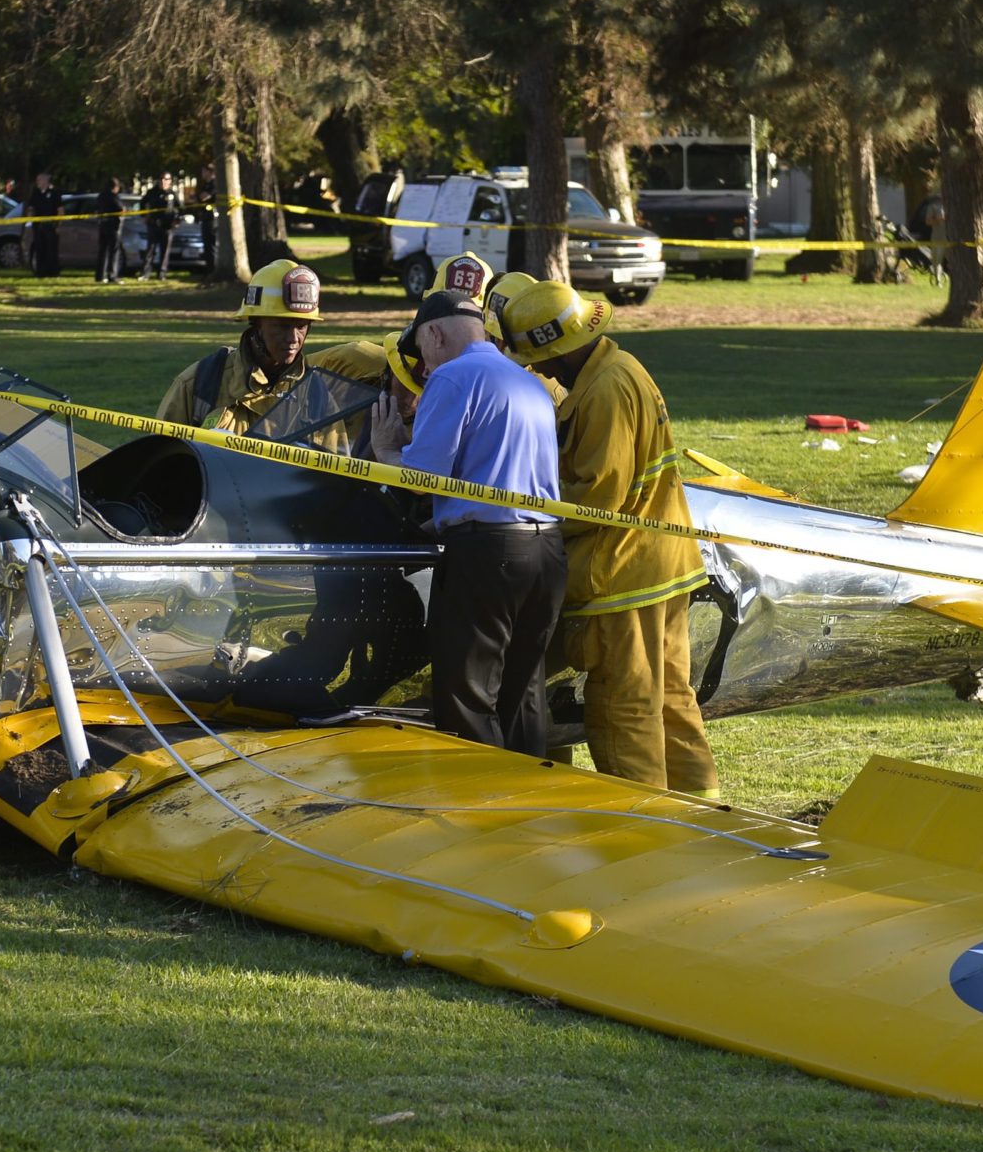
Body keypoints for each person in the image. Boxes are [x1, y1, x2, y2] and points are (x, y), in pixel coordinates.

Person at [499, 280, 715, 795]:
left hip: (622, 579)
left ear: (563, 345)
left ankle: (645, 828)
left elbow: (600, 498)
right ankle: (700, 813)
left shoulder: (604, 392)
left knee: (625, 711)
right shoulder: (622, 368)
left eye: (543, 357)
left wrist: (523, 512)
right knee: (671, 701)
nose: (540, 369)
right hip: (664, 567)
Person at [369, 290, 563, 754]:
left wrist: (386, 450)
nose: (424, 369)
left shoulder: (453, 377)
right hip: (548, 552)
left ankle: (479, 810)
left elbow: (422, 477)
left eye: (423, 355)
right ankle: (531, 805)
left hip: (489, 555)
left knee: (467, 694)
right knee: (525, 695)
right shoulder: (528, 382)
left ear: (434, 333)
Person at [154, 259, 382, 433]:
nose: (293, 338)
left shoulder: (315, 396)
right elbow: (160, 461)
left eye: (302, 326)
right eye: (281, 326)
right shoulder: (199, 386)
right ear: (256, 323)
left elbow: (328, 474)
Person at [142, 172, 183, 281]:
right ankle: (146, 273)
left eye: (166, 179)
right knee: (151, 250)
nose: (163, 181)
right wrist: (145, 216)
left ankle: (162, 273)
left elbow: (181, 209)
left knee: (165, 251)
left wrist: (177, 220)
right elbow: (142, 204)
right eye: (161, 179)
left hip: (167, 226)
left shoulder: (172, 194)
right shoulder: (151, 192)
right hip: (153, 224)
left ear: (170, 181)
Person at [27, 171, 61, 278]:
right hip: (38, 226)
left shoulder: (54, 193)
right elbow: (31, 207)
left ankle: (52, 272)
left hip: (51, 226)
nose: (37, 182)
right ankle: (40, 272)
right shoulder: (35, 193)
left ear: (45, 180)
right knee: (39, 248)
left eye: (39, 180)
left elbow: (60, 210)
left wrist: (58, 225)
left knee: (51, 249)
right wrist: (30, 216)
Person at [96, 179, 128, 284]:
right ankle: (112, 275)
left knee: (103, 251)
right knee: (114, 251)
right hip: (113, 226)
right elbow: (121, 209)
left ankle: (100, 276)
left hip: (102, 225)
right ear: (115, 187)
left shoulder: (101, 196)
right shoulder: (113, 196)